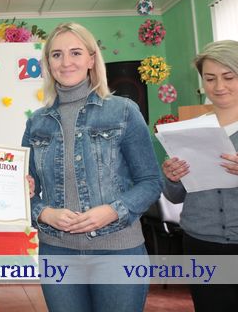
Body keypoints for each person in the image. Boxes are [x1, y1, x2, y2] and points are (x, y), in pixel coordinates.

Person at [22, 22, 162, 312]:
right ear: (48, 63)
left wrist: (112, 211)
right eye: (57, 54)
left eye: (75, 52)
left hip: (118, 250)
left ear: (91, 59)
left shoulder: (123, 111)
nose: (66, 62)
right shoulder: (36, 122)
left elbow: (151, 181)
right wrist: (44, 213)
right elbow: (23, 189)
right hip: (57, 251)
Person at [162, 40, 238, 312]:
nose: (219, 86)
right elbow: (175, 196)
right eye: (210, 78)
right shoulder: (188, 132)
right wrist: (172, 177)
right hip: (202, 242)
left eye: (228, 77)